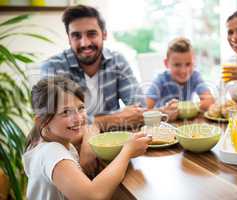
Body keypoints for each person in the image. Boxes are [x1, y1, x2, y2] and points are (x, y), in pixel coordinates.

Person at [23, 76, 151, 200]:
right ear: (42, 122)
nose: (78, 118)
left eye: (81, 108)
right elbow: (93, 196)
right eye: (65, 112)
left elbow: (91, 126)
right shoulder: (52, 151)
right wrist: (127, 152)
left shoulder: (53, 140)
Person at [40, 5, 145, 131]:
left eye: (92, 34)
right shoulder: (53, 67)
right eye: (76, 36)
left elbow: (139, 108)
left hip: (114, 141)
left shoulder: (117, 61)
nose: (85, 43)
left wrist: (96, 122)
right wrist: (115, 119)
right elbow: (56, 122)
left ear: (104, 34)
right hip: (73, 147)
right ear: (69, 39)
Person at [145, 37, 214, 119]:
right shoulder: (161, 80)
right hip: (164, 123)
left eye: (188, 64)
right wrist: (163, 111)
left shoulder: (195, 76)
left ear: (194, 62)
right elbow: (146, 108)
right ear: (166, 63)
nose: (184, 71)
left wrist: (185, 107)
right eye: (177, 65)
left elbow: (210, 101)